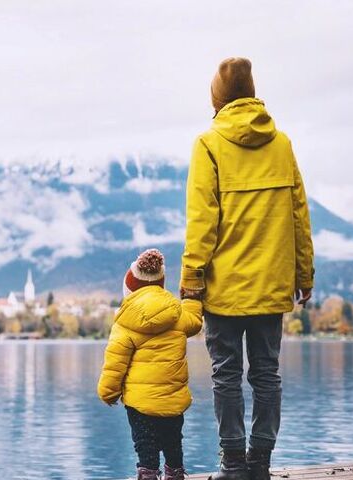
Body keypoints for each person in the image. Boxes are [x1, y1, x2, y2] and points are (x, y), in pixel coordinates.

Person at [180, 57, 314, 480]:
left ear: (217, 99)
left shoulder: (208, 144)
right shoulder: (282, 144)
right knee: (267, 374)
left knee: (226, 376)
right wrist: (304, 275)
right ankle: (261, 465)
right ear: (252, 93)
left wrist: (190, 280)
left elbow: (202, 221)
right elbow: (299, 215)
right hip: (272, 283)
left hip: (224, 286)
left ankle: (234, 465)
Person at [98, 248, 203, 480]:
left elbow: (115, 363)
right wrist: (191, 298)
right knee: (173, 445)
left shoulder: (125, 322)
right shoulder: (176, 314)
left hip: (140, 405)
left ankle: (147, 474)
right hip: (172, 401)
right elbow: (195, 322)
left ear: (130, 286)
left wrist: (108, 393)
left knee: (146, 449)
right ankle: (175, 473)